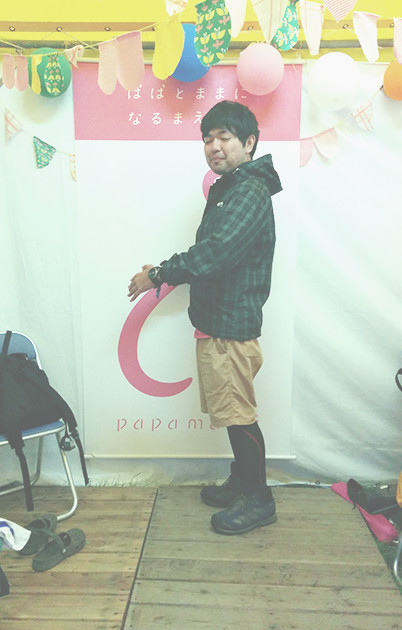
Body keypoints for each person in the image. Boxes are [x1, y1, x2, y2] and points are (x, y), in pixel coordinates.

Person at [127, 100, 282, 535]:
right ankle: (242, 480)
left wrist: (158, 274)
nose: (214, 146)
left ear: (249, 143)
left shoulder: (248, 190)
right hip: (218, 320)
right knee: (231, 410)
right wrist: (165, 271)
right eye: (207, 139)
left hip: (231, 324)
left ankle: (259, 499)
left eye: (224, 138)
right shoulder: (232, 186)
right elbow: (213, 252)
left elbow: (215, 253)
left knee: (239, 413)